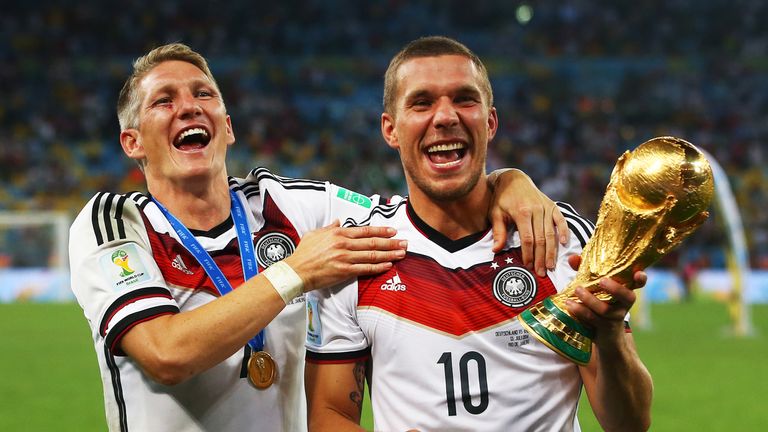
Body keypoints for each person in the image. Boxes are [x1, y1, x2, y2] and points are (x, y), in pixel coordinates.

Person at [68, 43, 567, 431]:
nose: (190, 108)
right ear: (132, 142)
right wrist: (295, 272)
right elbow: (166, 353)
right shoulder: (114, 223)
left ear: (228, 126)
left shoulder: (291, 205)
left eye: (204, 95)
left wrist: (508, 181)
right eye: (164, 100)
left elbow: (419, 210)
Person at [304, 36, 653, 432]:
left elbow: (631, 424)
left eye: (465, 99)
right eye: (422, 102)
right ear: (391, 129)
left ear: (490, 122)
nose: (445, 116)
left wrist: (609, 335)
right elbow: (328, 414)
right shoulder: (359, 254)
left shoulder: (563, 239)